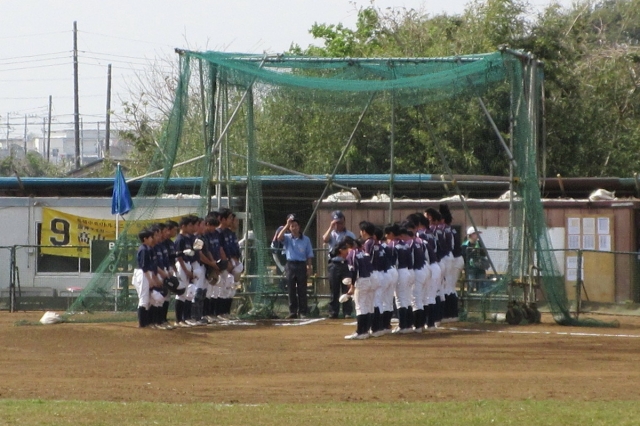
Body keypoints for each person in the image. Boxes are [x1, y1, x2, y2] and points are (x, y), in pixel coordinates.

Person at [277, 214, 314, 319]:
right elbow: (279, 237)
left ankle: (303, 311)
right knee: (291, 289)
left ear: (299, 227)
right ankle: (292, 311)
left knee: (302, 289)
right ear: (289, 228)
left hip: (301, 265)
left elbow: (309, 255)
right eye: (292, 226)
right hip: (290, 265)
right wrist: (286, 225)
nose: (294, 228)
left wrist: (309, 267)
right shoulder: (287, 238)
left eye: (296, 225)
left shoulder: (306, 239)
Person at [132, 228, 162, 328]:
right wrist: (150, 280)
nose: (152, 239)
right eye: (150, 237)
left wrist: (154, 279)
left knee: (149, 299)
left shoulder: (149, 248)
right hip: (143, 273)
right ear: (145, 239)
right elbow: (144, 267)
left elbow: (152, 267)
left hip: (147, 273)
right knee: (144, 298)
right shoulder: (143, 249)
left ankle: (148, 322)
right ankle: (142, 324)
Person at [326, 238, 355, 319]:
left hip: (367, 276)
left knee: (347, 289)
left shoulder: (353, 253)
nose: (342, 256)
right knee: (334, 289)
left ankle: (348, 312)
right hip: (334, 266)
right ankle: (333, 311)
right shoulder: (350, 253)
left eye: (340, 254)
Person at [462, 226, 489, 292]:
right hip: (470, 268)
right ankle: (469, 297)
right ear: (471, 235)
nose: (477, 236)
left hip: (480, 268)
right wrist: (472, 251)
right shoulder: (465, 245)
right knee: (470, 285)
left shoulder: (479, 243)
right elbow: (463, 256)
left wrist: (480, 250)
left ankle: (479, 297)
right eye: (476, 234)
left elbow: (484, 254)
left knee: (481, 286)